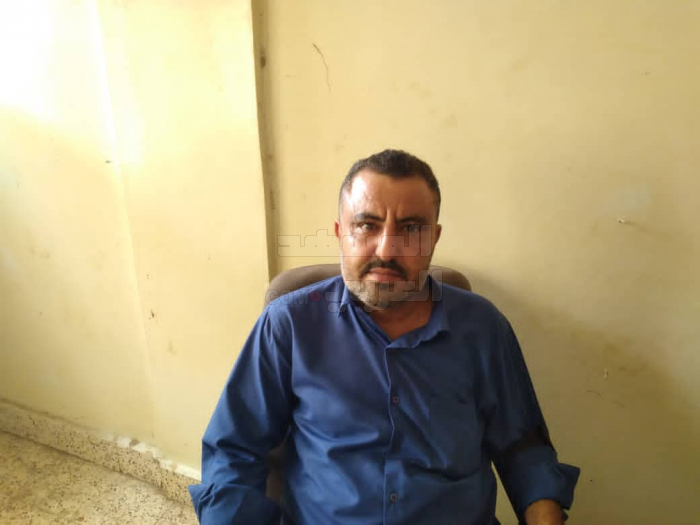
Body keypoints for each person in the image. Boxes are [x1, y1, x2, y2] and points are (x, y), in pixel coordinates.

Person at [188, 149, 580, 524]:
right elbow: (235, 450)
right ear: (341, 232)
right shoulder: (288, 325)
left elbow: (525, 449)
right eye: (366, 225)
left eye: (411, 228)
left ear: (434, 238)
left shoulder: (483, 327)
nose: (387, 249)